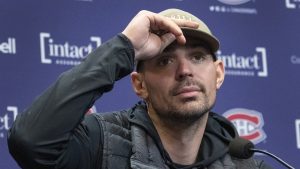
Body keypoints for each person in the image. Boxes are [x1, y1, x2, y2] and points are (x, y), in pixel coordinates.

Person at [8, 8, 272, 169]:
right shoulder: (101, 145)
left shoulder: (246, 164)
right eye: (165, 60)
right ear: (140, 85)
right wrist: (126, 47)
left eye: (198, 57)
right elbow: (31, 142)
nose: (185, 71)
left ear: (219, 74)